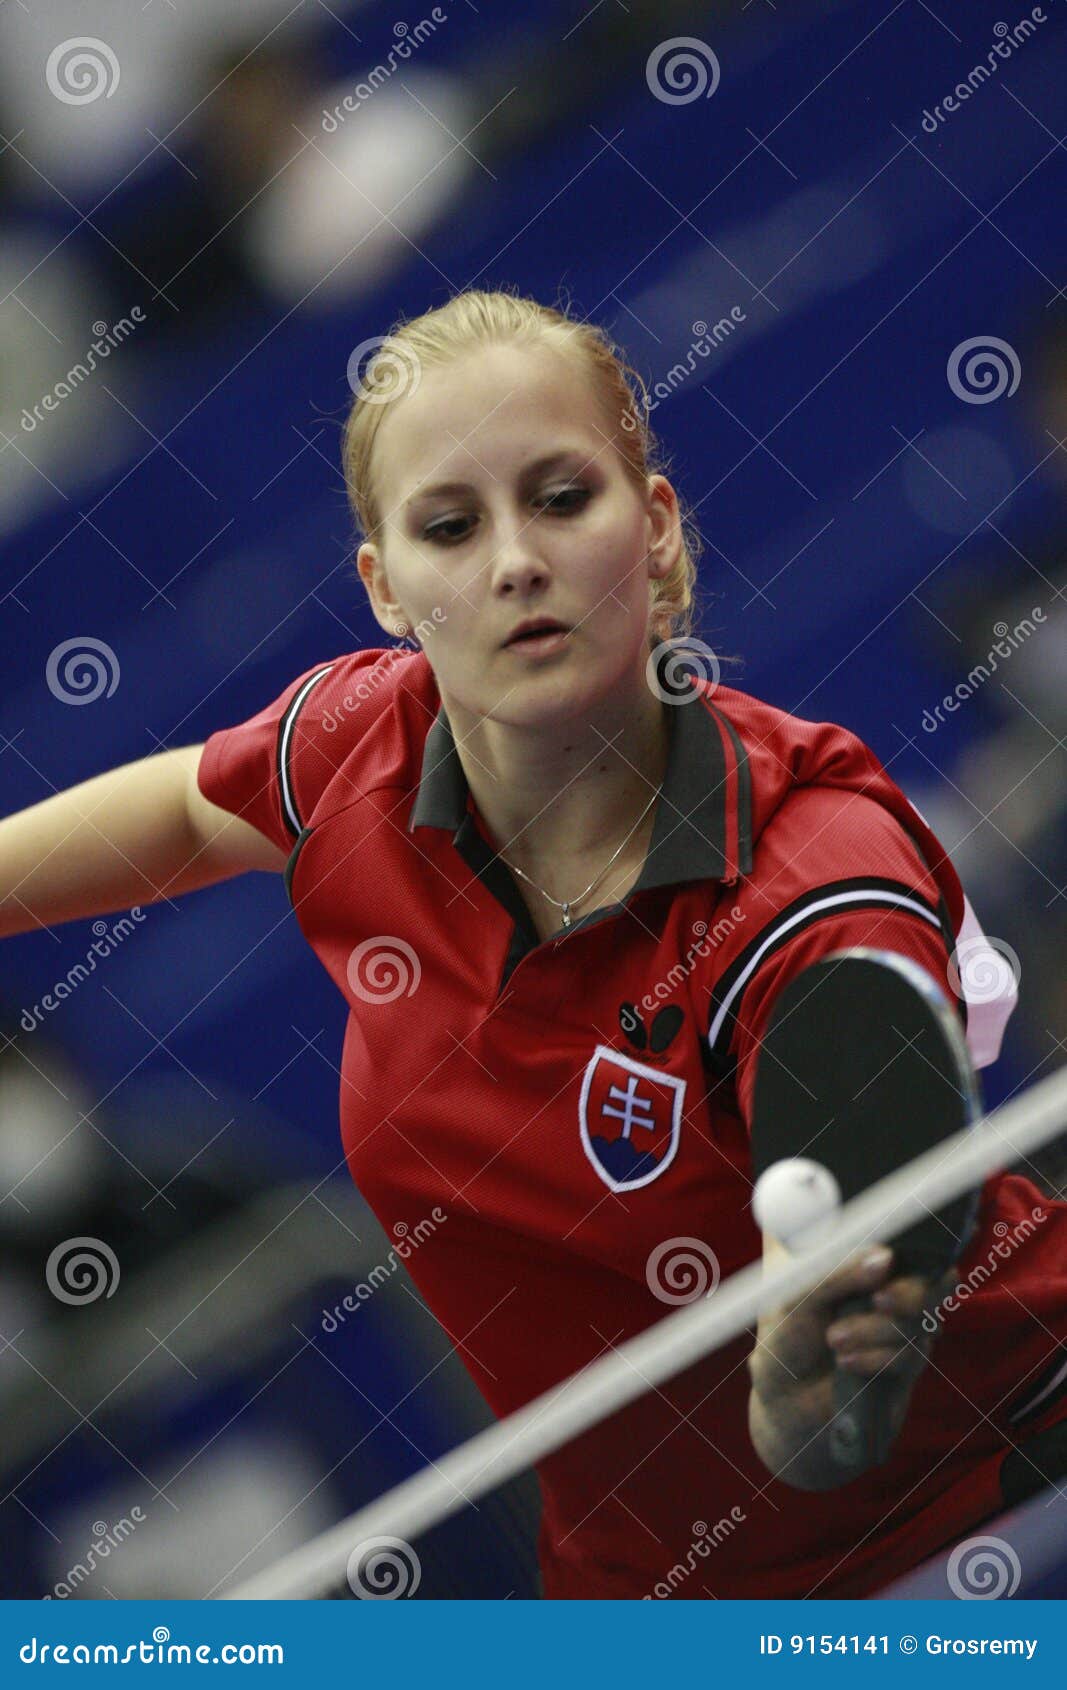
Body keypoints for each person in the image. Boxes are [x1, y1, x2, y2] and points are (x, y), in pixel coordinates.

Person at [2, 289, 1064, 1601]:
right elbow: (182, 807)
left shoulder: (809, 868)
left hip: (994, 1530)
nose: (513, 562)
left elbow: (837, 1307)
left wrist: (812, 1370)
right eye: (450, 525)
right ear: (387, 589)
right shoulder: (361, 747)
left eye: (562, 498)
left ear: (661, 536)